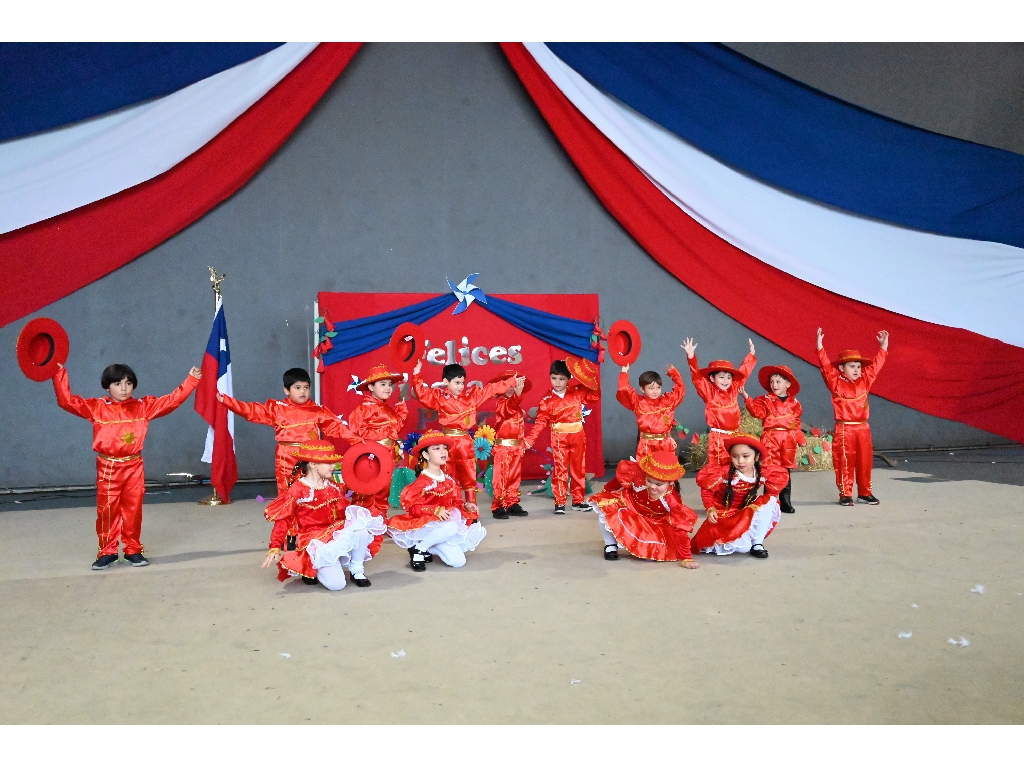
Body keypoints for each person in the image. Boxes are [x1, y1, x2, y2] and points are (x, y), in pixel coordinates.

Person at [52, 361, 201, 569]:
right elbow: (66, 401)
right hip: (108, 467)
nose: (124, 389)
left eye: (128, 383)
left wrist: (191, 380)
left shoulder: (142, 406)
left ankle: (133, 550)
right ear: (107, 387)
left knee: (133, 509)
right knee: (107, 510)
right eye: (117, 384)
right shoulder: (96, 407)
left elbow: (171, 401)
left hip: (134, 466)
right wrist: (59, 373)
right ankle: (107, 551)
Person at [262, 441, 386, 590]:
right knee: (337, 585)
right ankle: (313, 567)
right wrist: (275, 546)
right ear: (313, 464)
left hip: (333, 532)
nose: (334, 466)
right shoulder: (298, 489)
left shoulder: (332, 486)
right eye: (329, 463)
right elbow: (284, 518)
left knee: (361, 530)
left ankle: (357, 570)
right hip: (314, 540)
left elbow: (343, 512)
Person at [218, 367, 360, 497]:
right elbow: (251, 410)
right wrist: (227, 401)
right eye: (297, 387)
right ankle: (288, 516)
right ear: (287, 390)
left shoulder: (318, 410)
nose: (302, 391)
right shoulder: (277, 408)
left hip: (311, 456)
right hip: (286, 455)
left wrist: (359, 442)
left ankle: (312, 515)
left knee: (314, 489)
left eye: (306, 387)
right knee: (288, 490)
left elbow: (338, 427)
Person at [410, 360, 520, 504]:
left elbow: (491, 389)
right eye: (457, 383)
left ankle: (471, 508)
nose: (460, 386)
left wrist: (511, 381)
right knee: (446, 473)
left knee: (469, 475)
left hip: (465, 441)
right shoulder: (439, 397)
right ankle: (449, 507)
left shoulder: (472, 396)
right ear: (445, 381)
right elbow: (422, 394)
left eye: (462, 382)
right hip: (447, 442)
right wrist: (416, 374)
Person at [388, 431, 486, 571]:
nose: (443, 451)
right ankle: (419, 550)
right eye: (436, 448)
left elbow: (454, 502)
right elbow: (414, 508)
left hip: (444, 528)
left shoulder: (449, 480)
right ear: (426, 455)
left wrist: (466, 505)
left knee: (458, 562)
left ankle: (428, 546)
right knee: (451, 526)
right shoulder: (422, 483)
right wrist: (435, 510)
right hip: (428, 525)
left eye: (444, 448)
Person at [816, 328, 890, 506]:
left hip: (863, 428)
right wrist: (819, 347)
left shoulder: (865, 380)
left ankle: (865, 493)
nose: (857, 369)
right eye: (852, 366)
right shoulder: (835, 382)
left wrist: (883, 347)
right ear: (842, 368)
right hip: (844, 429)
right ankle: (846, 494)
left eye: (858, 366)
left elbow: (876, 366)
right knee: (845, 461)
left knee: (865, 461)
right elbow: (826, 367)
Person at [587, 451, 699, 567]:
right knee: (606, 508)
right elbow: (619, 480)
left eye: (659, 484)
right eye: (649, 481)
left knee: (650, 555)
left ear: (671, 482)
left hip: (655, 523)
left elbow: (680, 528)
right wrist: (606, 491)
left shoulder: (672, 500)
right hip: (631, 506)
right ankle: (610, 545)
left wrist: (687, 558)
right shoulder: (637, 474)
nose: (652, 487)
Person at [692, 434, 788, 559]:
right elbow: (706, 488)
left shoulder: (763, 472)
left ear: (756, 456)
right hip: (725, 514)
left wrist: (765, 505)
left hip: (745, 511)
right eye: (735, 456)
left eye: (745, 456)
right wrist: (710, 507)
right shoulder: (724, 472)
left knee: (771, 501)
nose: (740, 461)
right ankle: (738, 540)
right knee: (743, 548)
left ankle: (757, 544)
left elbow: (772, 493)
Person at [524, 359, 601, 514]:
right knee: (560, 469)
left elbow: (594, 395)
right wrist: (529, 440)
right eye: (554, 378)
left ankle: (578, 501)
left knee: (578, 469)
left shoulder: (577, 392)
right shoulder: (546, 401)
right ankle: (560, 502)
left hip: (578, 436)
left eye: (561, 379)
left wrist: (589, 378)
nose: (557, 382)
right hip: (559, 438)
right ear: (549, 377)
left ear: (568, 379)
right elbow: (540, 422)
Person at [740, 364, 806, 513]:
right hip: (771, 438)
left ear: (788, 384)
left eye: (778, 382)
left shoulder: (795, 403)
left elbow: (796, 423)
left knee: (785, 469)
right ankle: (769, 500)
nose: (774, 385)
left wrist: (800, 438)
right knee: (770, 468)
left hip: (788, 439)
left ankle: (785, 501)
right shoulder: (765, 400)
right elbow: (757, 412)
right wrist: (747, 398)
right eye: (772, 382)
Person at [682, 337, 756, 465]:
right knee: (718, 469)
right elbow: (697, 377)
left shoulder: (734, 389)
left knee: (735, 467)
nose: (725, 381)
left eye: (728, 377)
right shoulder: (709, 392)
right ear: (712, 378)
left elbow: (744, 373)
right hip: (718, 440)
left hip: (735, 436)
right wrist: (691, 357)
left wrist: (751, 355)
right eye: (721, 377)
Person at [347, 363, 409, 517]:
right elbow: (356, 433)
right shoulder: (364, 408)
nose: (388, 388)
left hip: (387, 455)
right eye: (382, 384)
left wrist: (402, 409)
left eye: (389, 384)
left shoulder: (386, 407)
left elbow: (396, 428)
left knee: (383, 490)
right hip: (371, 456)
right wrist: (384, 434)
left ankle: (379, 521)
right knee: (368, 490)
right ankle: (361, 522)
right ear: (371, 387)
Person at [616, 364, 686, 459]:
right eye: (651, 388)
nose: (655, 391)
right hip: (646, 445)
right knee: (647, 468)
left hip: (665, 444)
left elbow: (680, 389)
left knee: (665, 467)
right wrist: (624, 372)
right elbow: (624, 390)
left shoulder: (667, 401)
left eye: (658, 387)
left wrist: (674, 374)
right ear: (642, 389)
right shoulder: (638, 402)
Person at [487, 369, 531, 519]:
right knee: (501, 477)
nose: (512, 388)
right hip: (503, 448)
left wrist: (522, 443)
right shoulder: (501, 403)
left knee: (514, 477)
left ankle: (511, 503)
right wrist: (517, 395)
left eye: (515, 385)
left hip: (516, 448)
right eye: (509, 384)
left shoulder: (517, 407)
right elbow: (508, 409)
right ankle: (498, 505)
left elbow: (518, 427)